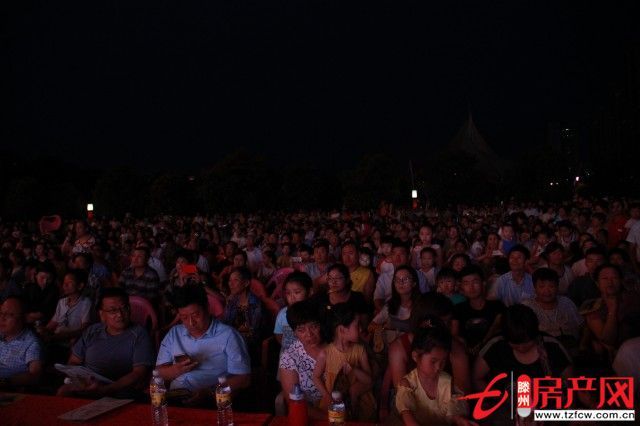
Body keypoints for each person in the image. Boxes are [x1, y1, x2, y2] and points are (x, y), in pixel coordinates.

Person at [473, 304, 572, 424]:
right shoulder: (495, 346)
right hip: (505, 410)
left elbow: (570, 384)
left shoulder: (552, 347)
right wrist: (501, 398)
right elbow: (477, 378)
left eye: (526, 343)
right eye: (515, 344)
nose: (521, 347)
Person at [156, 283, 251, 403]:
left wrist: (211, 393)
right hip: (175, 398)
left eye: (195, 315)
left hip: (212, 401)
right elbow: (158, 373)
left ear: (207, 308)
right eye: (184, 317)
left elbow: (243, 379)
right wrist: (176, 370)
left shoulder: (228, 335)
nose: (191, 323)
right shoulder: (174, 334)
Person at [57, 287, 154, 398]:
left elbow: (139, 373)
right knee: (63, 392)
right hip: (88, 385)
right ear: (102, 315)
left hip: (119, 390)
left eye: (124, 308)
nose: (120, 314)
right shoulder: (92, 331)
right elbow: (73, 361)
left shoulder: (139, 334)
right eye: (113, 311)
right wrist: (82, 382)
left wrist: (107, 389)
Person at [391, 320, 474, 426]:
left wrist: (459, 420)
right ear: (415, 356)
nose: (438, 367)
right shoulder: (408, 384)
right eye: (433, 361)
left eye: (443, 361)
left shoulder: (447, 383)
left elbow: (453, 408)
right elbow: (406, 413)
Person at [312, 303, 376, 421]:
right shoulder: (325, 353)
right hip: (334, 402)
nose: (361, 329)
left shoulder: (360, 351)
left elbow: (369, 380)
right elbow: (315, 377)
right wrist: (326, 395)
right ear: (342, 330)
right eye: (357, 325)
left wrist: (354, 369)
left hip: (359, 404)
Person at [580, 264, 640, 361]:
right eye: (605, 278)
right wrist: (612, 309)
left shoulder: (634, 297)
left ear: (621, 281)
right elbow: (608, 340)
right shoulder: (592, 307)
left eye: (614, 278)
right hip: (622, 355)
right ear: (597, 283)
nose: (610, 282)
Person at [278, 300, 326, 419]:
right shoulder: (290, 357)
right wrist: (331, 418)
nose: (309, 334)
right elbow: (295, 402)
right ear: (294, 332)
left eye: (314, 326)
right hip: (314, 417)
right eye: (301, 330)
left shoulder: (336, 346)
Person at [452, 265, 505, 356]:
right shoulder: (458, 309)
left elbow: (499, 330)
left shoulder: (497, 306)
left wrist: (483, 344)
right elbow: (454, 334)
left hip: (493, 353)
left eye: (475, 282)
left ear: (483, 283)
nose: (471, 287)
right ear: (462, 287)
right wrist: (464, 345)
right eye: (466, 283)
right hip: (465, 354)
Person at [522, 268, 583, 345]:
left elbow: (581, 326)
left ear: (557, 287)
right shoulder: (527, 307)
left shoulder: (566, 303)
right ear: (534, 288)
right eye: (541, 286)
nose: (547, 291)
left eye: (551, 286)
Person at [369, 265, 421, 351]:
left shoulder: (421, 306)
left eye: (405, 279)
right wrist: (384, 328)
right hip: (392, 349)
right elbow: (371, 326)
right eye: (397, 279)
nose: (401, 282)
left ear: (414, 283)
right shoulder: (390, 305)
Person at [41, 270, 93, 347]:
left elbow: (84, 329)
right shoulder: (61, 302)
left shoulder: (86, 303)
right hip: (56, 339)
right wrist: (43, 330)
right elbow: (54, 322)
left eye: (69, 282)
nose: (65, 285)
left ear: (80, 286)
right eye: (64, 282)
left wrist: (63, 336)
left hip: (73, 342)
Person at [0, 296, 42, 390]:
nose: (2, 318)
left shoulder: (31, 343)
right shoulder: (2, 333)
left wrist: (5, 382)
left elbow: (34, 375)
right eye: (1, 313)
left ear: (23, 318)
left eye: (10, 315)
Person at [222, 266, 263, 360]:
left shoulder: (255, 304)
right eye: (230, 280)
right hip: (232, 338)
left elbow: (254, 334)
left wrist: (232, 337)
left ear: (246, 283)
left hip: (248, 345)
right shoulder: (232, 301)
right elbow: (226, 322)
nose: (231, 284)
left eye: (235, 280)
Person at [274, 271, 313, 356]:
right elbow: (279, 335)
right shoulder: (283, 314)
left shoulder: (315, 313)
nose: (292, 297)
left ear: (310, 292)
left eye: (297, 292)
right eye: (288, 293)